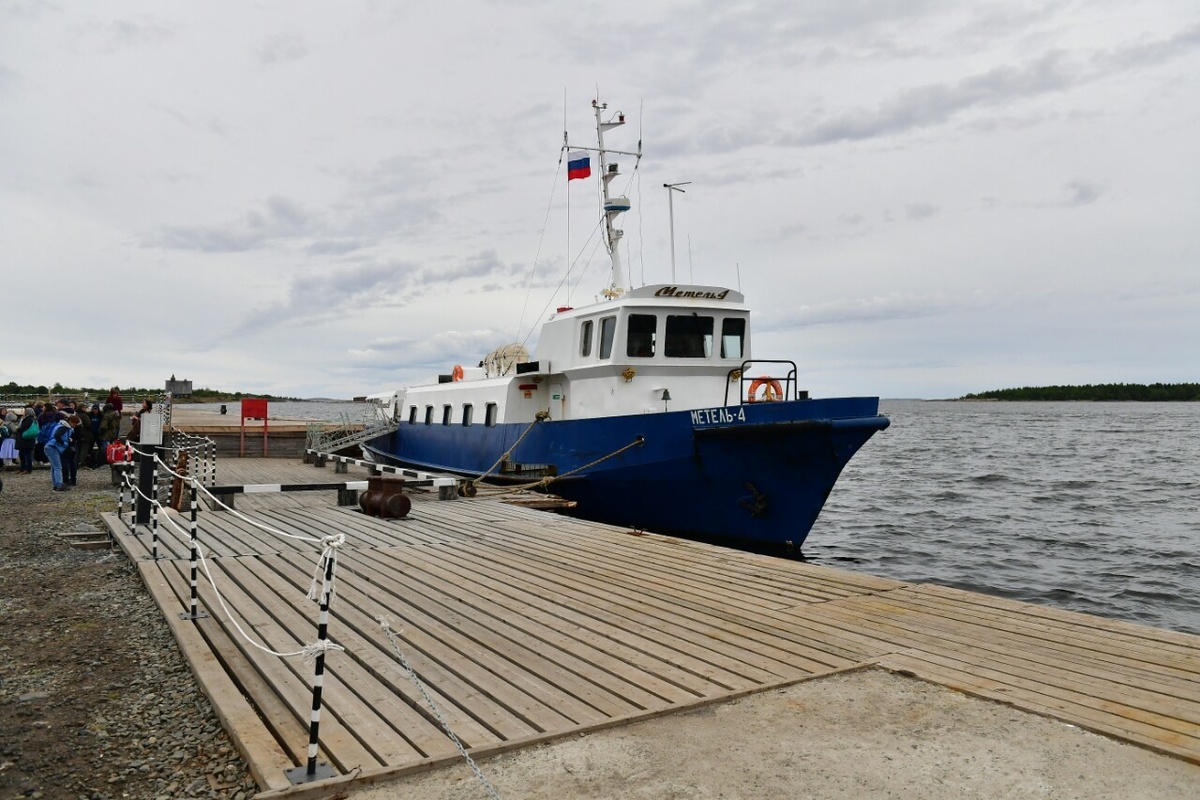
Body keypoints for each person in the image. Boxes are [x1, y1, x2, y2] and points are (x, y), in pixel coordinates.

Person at [43, 414, 74, 491]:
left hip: (49, 446)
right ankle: (59, 485)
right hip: (53, 447)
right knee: (58, 467)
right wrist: (63, 443)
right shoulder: (64, 427)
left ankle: (56, 485)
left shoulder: (60, 425)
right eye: (74, 424)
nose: (74, 426)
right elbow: (57, 436)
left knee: (54, 467)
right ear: (71, 421)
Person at [59, 414, 81, 487]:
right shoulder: (77, 427)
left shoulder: (64, 426)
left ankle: (65, 479)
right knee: (72, 463)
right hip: (72, 445)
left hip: (66, 446)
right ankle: (73, 479)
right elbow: (78, 436)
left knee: (65, 463)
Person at [15, 407, 37, 474]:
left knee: (26, 455)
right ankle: (23, 468)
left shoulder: (28, 419)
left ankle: (27, 469)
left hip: (25, 439)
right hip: (27, 440)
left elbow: (23, 428)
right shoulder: (32, 419)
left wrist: (17, 429)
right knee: (23, 454)